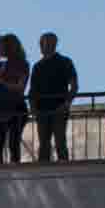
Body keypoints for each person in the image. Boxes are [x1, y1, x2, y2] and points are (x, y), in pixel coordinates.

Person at [26, 29, 79, 163]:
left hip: (58, 108)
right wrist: (32, 107)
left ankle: (64, 168)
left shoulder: (65, 62)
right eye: (42, 43)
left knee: (59, 140)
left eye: (47, 43)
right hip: (42, 110)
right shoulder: (38, 66)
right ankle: (43, 169)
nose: (43, 46)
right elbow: (32, 90)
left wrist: (66, 104)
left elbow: (74, 85)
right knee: (44, 143)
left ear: (54, 44)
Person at [0, 31, 32, 165]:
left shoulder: (23, 64)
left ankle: (15, 168)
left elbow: (20, 87)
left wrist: (4, 82)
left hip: (16, 107)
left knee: (13, 142)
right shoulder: (3, 63)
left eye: (1, 46)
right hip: (1, 107)